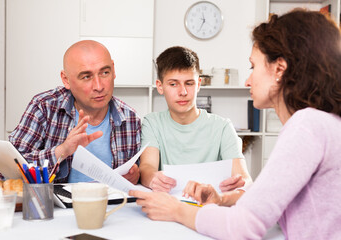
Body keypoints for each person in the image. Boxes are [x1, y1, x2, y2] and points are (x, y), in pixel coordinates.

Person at [130, 9, 341, 239]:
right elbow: (265, 203)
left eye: (253, 66)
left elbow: (243, 226)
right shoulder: (321, 123)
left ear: (279, 69)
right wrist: (221, 199)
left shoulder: (307, 126)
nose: (248, 80)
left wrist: (176, 210)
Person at [9, 40, 141, 184]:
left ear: (113, 70)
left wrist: (136, 176)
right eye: (86, 77)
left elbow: (138, 175)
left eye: (104, 72)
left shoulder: (130, 119)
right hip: (56, 206)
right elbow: (7, 170)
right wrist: (62, 150)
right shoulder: (44, 107)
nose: (99, 86)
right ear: (66, 79)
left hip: (110, 205)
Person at [139, 46, 252, 206]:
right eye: (173, 84)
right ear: (160, 86)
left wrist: (238, 184)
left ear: (198, 84)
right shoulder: (152, 123)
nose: (183, 91)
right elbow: (147, 167)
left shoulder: (222, 127)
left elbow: (245, 179)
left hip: (210, 208)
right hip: (168, 207)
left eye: (189, 83)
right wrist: (153, 179)